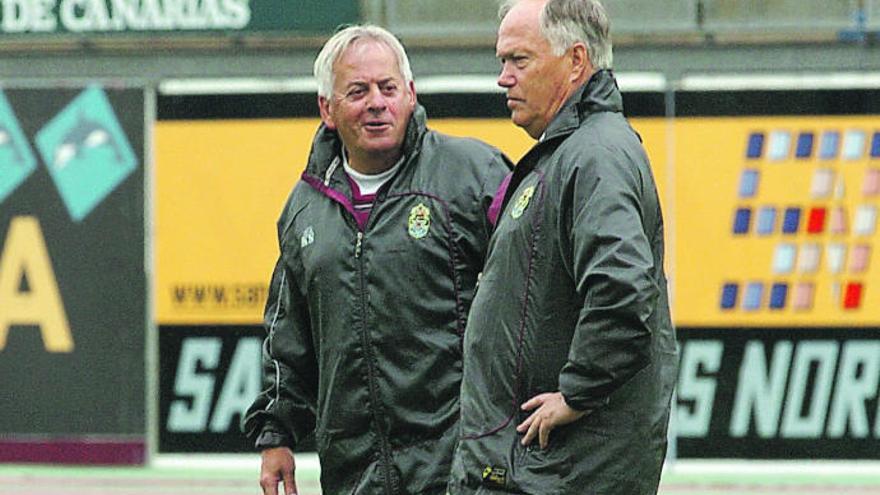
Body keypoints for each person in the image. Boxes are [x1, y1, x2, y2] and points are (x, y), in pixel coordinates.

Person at [241, 25, 511, 495]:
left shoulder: (475, 176)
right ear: (328, 109)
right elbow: (289, 337)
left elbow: (535, 292)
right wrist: (277, 435)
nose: (376, 103)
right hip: (353, 475)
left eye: (388, 88)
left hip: (462, 470)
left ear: (410, 94)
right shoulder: (304, 208)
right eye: (358, 91)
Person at [448, 0, 678, 493]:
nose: (503, 78)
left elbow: (623, 292)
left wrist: (576, 393)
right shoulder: (571, 152)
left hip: (558, 471)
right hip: (541, 469)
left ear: (576, 61)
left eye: (519, 60)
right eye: (501, 62)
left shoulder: (594, 155)